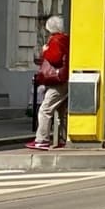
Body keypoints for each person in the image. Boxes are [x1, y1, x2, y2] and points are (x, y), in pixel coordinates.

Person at [28, 16, 69, 150]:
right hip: (65, 78)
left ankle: (42, 139)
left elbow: (55, 58)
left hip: (57, 80)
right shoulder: (65, 39)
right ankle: (63, 138)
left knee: (45, 110)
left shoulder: (55, 40)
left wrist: (45, 51)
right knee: (62, 111)